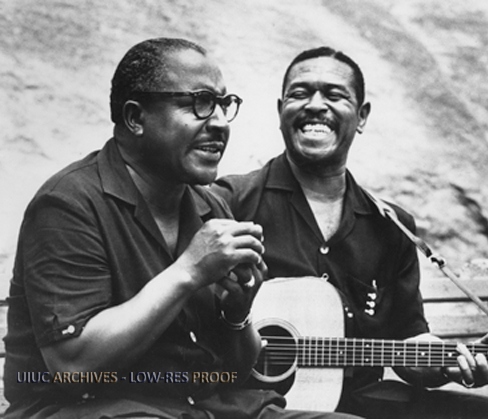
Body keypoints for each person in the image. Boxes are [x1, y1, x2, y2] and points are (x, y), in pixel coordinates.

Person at [3, 39, 359, 419]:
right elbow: (74, 367)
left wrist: (237, 313)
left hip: (203, 408)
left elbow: (236, 373)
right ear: (135, 117)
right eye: (200, 103)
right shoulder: (68, 204)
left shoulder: (211, 208)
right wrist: (188, 272)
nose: (219, 122)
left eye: (223, 104)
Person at [212, 46, 488, 419]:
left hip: (364, 399)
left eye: (334, 95)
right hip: (251, 405)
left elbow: (408, 342)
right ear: (281, 110)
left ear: (361, 116)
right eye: (300, 93)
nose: (315, 105)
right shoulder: (230, 201)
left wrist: (447, 365)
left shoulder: (392, 226)